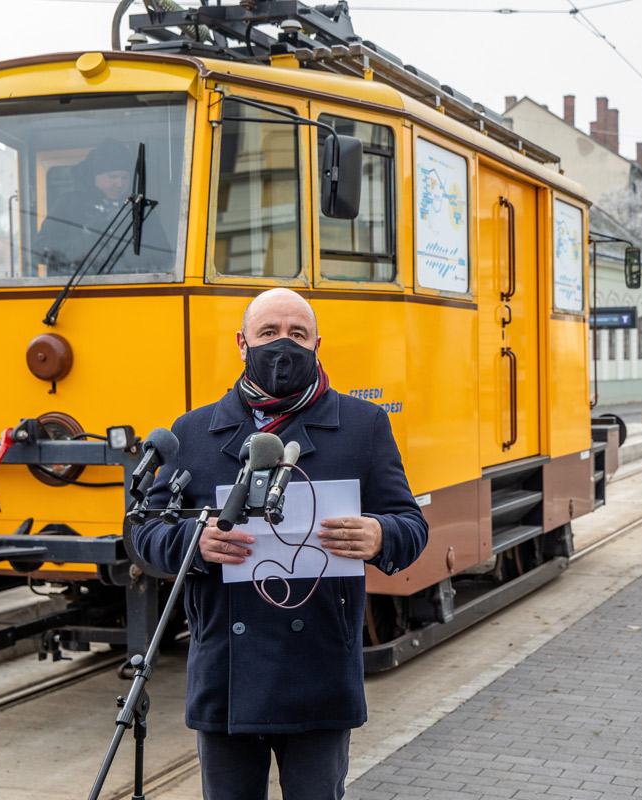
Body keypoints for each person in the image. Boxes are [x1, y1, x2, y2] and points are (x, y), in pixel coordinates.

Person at [131, 288, 428, 800]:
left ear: (317, 344)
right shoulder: (193, 431)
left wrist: (381, 535)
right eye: (269, 333)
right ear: (242, 343)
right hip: (225, 671)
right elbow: (145, 532)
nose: (283, 345)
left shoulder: (364, 426)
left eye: (297, 334)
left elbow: (411, 525)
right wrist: (193, 544)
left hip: (319, 668)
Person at [33, 138, 170, 275]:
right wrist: (84, 241)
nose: (120, 184)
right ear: (95, 177)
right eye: (112, 177)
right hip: (79, 285)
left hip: (131, 284)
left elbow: (165, 257)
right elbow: (39, 251)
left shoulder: (140, 210)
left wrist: (127, 247)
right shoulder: (68, 205)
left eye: (125, 177)